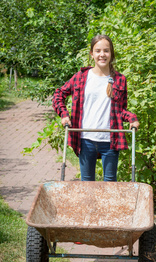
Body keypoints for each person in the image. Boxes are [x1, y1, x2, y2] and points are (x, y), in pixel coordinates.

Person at [52, 34, 139, 182]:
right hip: (86, 139)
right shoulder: (81, 77)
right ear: (92, 54)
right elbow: (58, 94)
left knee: (110, 182)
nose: (102, 55)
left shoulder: (119, 79)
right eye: (98, 51)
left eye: (106, 51)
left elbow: (120, 110)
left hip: (110, 139)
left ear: (111, 53)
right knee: (87, 183)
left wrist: (132, 118)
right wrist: (64, 114)